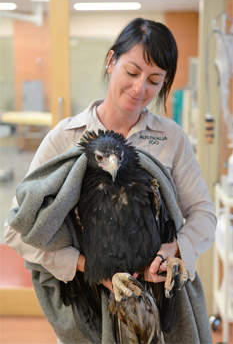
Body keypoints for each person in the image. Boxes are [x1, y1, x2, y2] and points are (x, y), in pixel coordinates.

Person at [5, 17, 216, 343]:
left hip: (159, 304)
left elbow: (203, 214)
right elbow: (17, 230)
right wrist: (87, 266)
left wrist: (175, 250)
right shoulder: (67, 137)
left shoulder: (171, 138)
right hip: (87, 303)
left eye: (154, 80)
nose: (139, 88)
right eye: (132, 72)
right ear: (111, 61)